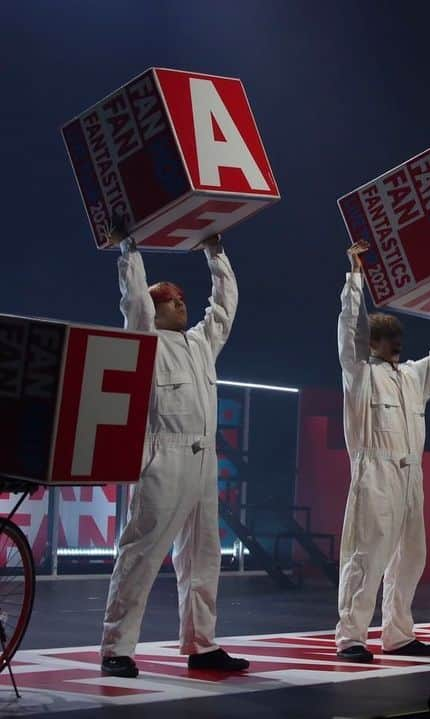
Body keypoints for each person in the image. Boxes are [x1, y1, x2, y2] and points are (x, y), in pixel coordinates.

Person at [100, 233, 248, 678]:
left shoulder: (202, 344)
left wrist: (215, 252)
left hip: (204, 462)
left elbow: (224, 306)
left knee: (204, 557)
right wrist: (130, 250)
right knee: (141, 552)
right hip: (163, 455)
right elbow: (136, 303)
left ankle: (202, 645)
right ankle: (116, 648)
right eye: (169, 299)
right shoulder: (145, 341)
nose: (179, 303)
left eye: (181, 298)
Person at [335, 241, 430, 661]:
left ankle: (397, 632)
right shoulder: (359, 375)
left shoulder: (413, 377)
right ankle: (351, 637)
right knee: (367, 553)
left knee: (411, 555)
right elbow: (348, 330)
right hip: (374, 472)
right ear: (371, 342)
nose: (395, 343)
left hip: (411, 474)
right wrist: (354, 279)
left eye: (397, 337)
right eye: (386, 338)